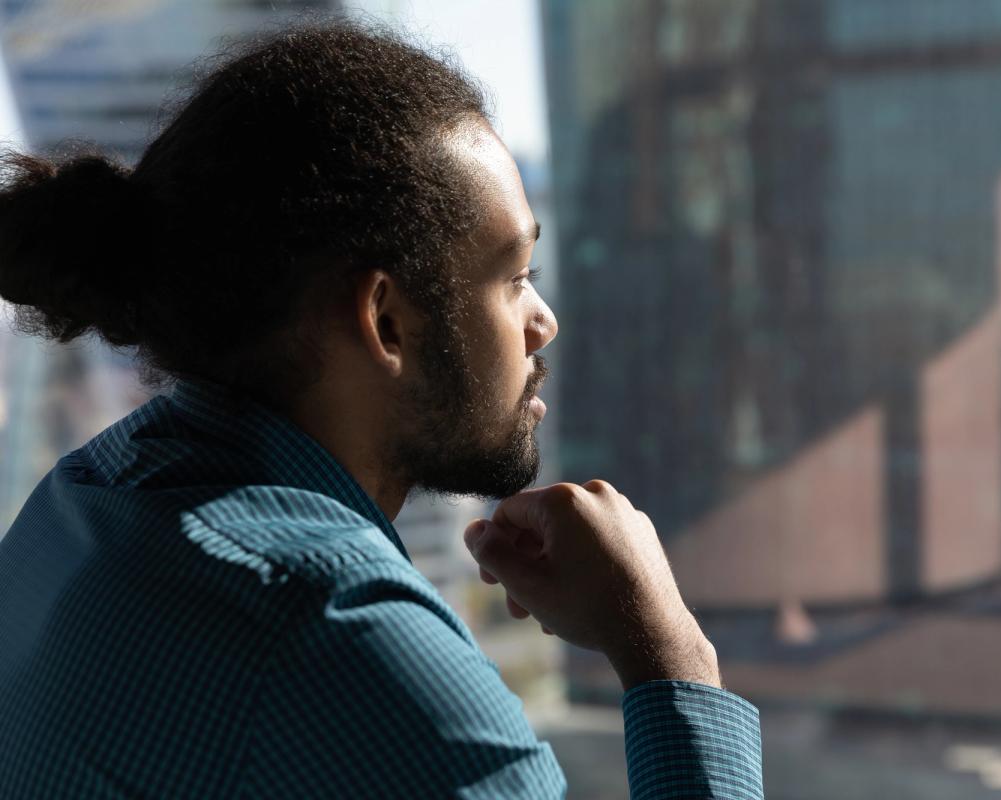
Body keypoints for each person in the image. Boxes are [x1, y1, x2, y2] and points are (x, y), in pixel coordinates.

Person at [0, 18, 763, 799]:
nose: (543, 322)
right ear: (386, 320)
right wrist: (673, 658)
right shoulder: (343, 634)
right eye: (512, 275)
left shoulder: (79, 499)